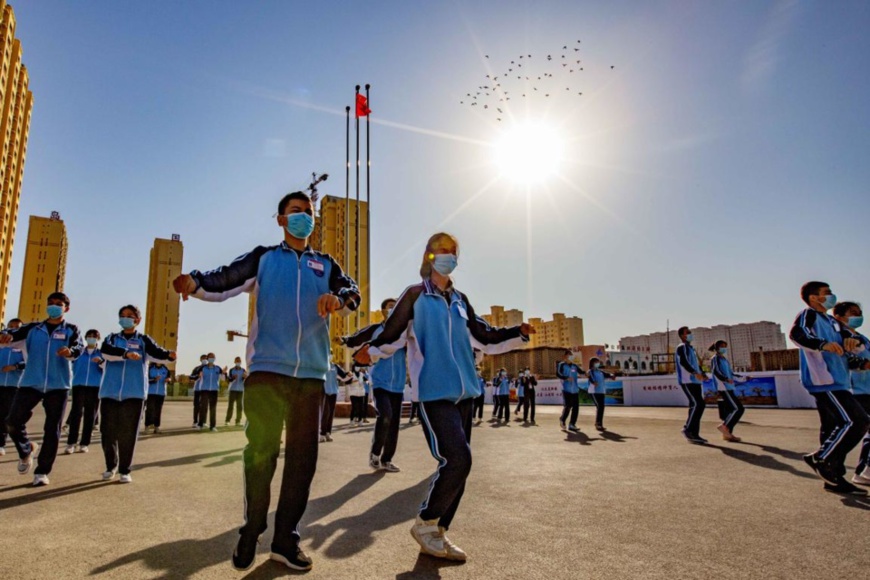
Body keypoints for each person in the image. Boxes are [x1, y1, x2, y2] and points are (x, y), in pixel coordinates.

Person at [173, 189, 360, 571]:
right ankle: (252, 526)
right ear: (280, 220)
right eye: (295, 212)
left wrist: (338, 300)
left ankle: (285, 539)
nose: (303, 217)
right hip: (268, 373)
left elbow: (351, 291)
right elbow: (225, 278)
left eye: (308, 212)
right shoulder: (264, 258)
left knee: (302, 462)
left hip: (310, 376)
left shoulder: (325, 264)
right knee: (261, 455)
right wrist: (194, 282)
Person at [354, 232, 534, 561]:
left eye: (453, 251)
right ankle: (426, 523)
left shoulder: (461, 301)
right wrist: (372, 351)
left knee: (461, 466)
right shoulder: (414, 296)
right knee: (457, 459)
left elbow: (486, 337)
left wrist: (516, 334)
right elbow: (390, 333)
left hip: (465, 392)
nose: (448, 255)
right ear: (429, 256)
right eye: (441, 251)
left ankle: (438, 533)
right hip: (434, 393)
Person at [789, 281, 870, 495]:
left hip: (839, 380)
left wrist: (860, 362)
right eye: (827, 293)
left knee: (834, 428)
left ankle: (833, 476)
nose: (831, 296)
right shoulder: (809, 315)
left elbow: (844, 355)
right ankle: (821, 458)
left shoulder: (832, 323)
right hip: (824, 381)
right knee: (857, 421)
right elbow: (798, 334)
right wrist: (822, 344)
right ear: (814, 297)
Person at [1, 292, 82, 486]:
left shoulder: (71, 329)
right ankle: (26, 450)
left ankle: (42, 471)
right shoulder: (32, 329)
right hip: (31, 383)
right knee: (12, 421)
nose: (54, 306)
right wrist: (5, 337)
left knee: (52, 429)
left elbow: (77, 348)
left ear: (66, 308)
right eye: (51, 303)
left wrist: (70, 352)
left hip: (58, 386)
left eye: (59, 304)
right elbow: (10, 335)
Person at [99, 305, 176, 483]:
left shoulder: (143, 340)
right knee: (108, 432)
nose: (126, 318)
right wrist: (126, 354)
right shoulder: (111, 338)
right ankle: (111, 466)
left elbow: (157, 352)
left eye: (130, 316)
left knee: (128, 433)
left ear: (138, 320)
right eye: (123, 316)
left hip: (134, 393)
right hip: (109, 392)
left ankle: (125, 470)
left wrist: (169, 355)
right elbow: (106, 352)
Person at [344, 298, 407, 472]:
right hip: (380, 382)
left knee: (394, 423)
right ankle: (375, 454)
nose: (393, 310)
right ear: (383, 311)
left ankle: (387, 460)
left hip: (399, 384)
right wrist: (346, 340)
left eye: (396, 307)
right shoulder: (375, 330)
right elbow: (358, 338)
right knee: (385, 416)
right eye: (389, 307)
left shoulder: (403, 332)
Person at [830, 300, 870, 486]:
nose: (858, 316)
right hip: (856, 391)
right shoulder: (840, 337)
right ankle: (859, 471)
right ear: (838, 317)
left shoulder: (862, 338)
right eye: (853, 312)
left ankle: (865, 471)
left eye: (859, 312)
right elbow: (849, 362)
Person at [65, 329, 104, 453]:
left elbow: (107, 368)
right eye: (89, 336)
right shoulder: (79, 352)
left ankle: (84, 443)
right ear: (86, 338)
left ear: (98, 339)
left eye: (94, 336)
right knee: (76, 414)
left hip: (95, 387)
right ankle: (71, 443)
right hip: (79, 385)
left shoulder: (102, 353)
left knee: (90, 415)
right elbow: (69, 359)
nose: (91, 338)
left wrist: (101, 362)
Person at [675, 327, 709, 444]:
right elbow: (684, 362)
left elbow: (696, 364)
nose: (690, 334)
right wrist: (694, 373)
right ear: (682, 336)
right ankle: (687, 429)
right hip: (687, 380)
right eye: (688, 333)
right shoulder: (682, 347)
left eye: (690, 332)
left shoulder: (691, 349)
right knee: (698, 404)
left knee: (696, 405)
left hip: (695, 381)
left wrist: (702, 373)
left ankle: (694, 433)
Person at [709, 341, 748, 442]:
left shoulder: (724, 359)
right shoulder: (715, 358)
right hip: (723, 387)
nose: (724, 348)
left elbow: (731, 374)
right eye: (722, 346)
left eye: (725, 347)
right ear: (717, 348)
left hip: (729, 386)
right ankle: (724, 426)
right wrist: (725, 379)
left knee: (733, 409)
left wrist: (744, 378)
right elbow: (716, 371)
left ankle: (728, 434)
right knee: (738, 408)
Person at [0, 318, 24, 457]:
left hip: (14, 385)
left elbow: (27, 362)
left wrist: (14, 366)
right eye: (11, 326)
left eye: (17, 327)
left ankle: (4, 443)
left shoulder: (22, 345)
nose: (13, 328)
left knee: (8, 415)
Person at [321, 362, 350, 442]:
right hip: (324, 391)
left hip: (333, 391)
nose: (330, 355)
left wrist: (348, 374)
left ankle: (328, 433)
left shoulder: (335, 366)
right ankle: (322, 434)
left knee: (331, 413)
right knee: (325, 412)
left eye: (331, 353)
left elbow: (343, 375)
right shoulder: (322, 364)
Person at [556, 350, 584, 432]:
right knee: (568, 406)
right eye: (569, 355)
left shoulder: (574, 366)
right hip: (566, 389)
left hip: (575, 389)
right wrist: (566, 378)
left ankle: (572, 424)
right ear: (565, 356)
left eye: (571, 355)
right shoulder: (561, 365)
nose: (571, 357)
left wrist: (586, 373)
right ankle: (562, 419)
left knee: (576, 408)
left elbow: (581, 372)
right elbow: (558, 374)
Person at [586, 358, 615, 431]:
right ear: (592, 363)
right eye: (596, 362)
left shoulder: (600, 371)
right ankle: (598, 424)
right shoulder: (590, 371)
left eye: (598, 362)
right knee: (599, 406)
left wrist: (612, 375)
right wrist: (593, 382)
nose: (598, 364)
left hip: (601, 391)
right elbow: (590, 378)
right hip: (594, 391)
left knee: (601, 407)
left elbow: (608, 375)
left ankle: (599, 424)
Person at [198, 353, 223, 432]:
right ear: (207, 358)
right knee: (203, 408)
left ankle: (212, 426)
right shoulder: (203, 368)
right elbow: (197, 376)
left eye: (213, 357)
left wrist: (224, 373)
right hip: (204, 390)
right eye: (210, 357)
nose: (211, 358)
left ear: (215, 358)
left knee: (213, 409)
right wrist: (199, 375)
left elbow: (223, 379)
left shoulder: (218, 368)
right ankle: (200, 424)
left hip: (214, 390)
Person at [145, 362, 170, 434]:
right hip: (150, 393)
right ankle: (147, 426)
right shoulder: (150, 368)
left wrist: (168, 380)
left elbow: (169, 378)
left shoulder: (165, 369)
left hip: (161, 393)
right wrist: (154, 380)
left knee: (158, 410)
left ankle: (157, 426)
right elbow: (146, 380)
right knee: (150, 409)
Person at [226, 357, 247, 427]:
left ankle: (238, 421)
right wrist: (232, 378)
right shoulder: (232, 370)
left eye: (239, 361)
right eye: (237, 361)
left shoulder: (243, 370)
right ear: (234, 362)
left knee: (239, 406)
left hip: (240, 390)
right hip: (233, 389)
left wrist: (245, 377)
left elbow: (244, 380)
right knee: (230, 406)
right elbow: (229, 379)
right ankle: (227, 420)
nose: (238, 362)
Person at [189, 354, 207, 428]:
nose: (204, 360)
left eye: (206, 358)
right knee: (196, 406)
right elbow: (191, 377)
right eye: (203, 358)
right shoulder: (197, 368)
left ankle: (203, 421)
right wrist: (197, 376)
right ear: (200, 360)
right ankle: (195, 421)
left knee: (205, 406)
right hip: (197, 389)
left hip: (206, 389)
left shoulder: (209, 368)